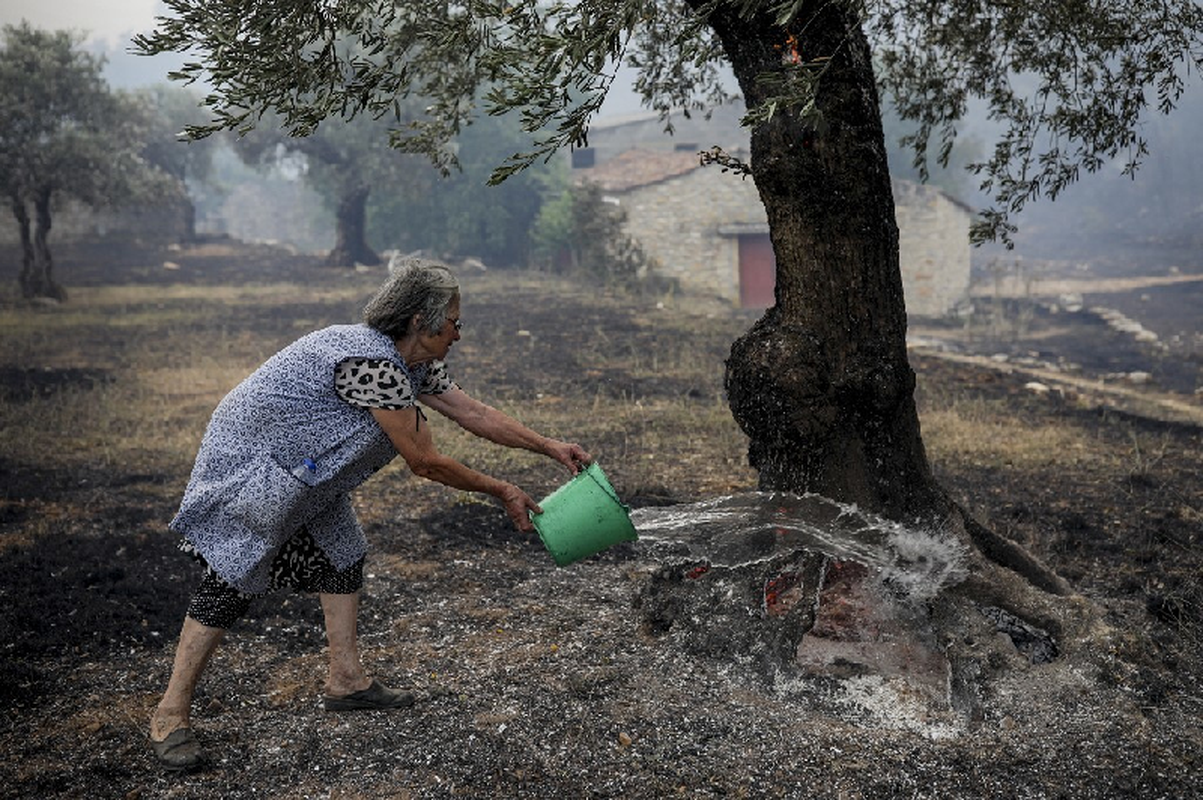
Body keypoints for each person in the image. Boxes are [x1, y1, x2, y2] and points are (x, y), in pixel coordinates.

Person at [148, 258, 590, 771]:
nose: (460, 334)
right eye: (455, 322)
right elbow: (424, 461)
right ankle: (169, 714)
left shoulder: (414, 363)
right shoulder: (371, 362)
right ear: (420, 323)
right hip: (256, 469)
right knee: (232, 578)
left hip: (311, 472)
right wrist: (503, 490)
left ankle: (347, 681)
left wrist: (550, 447)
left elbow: (473, 413)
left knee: (341, 557)